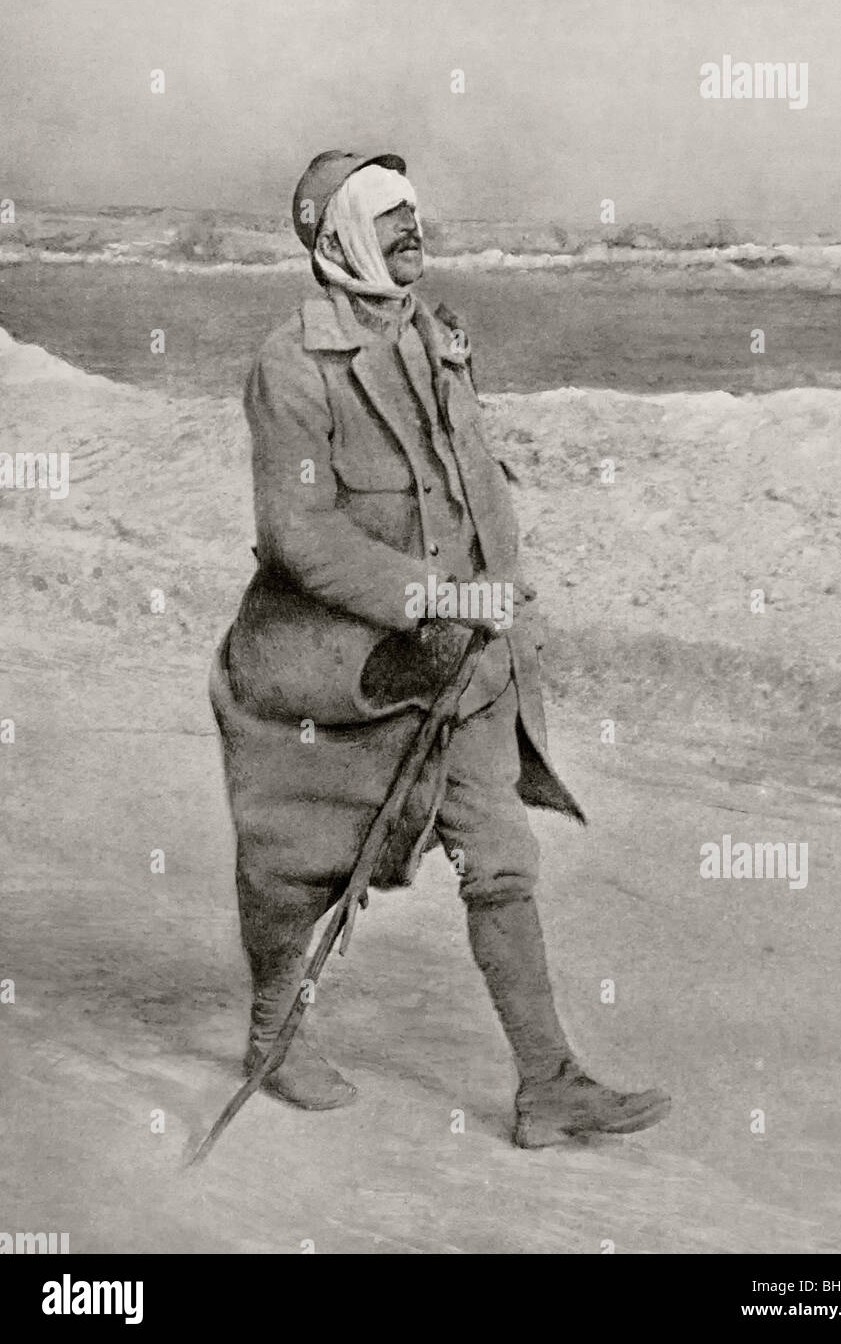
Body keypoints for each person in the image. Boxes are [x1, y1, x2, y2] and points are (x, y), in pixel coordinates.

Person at [209, 150, 670, 1148]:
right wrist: (434, 594)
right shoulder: (289, 368)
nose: (413, 229)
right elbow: (299, 533)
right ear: (339, 236)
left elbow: (464, 484)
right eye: (388, 216)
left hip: (466, 658)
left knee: (500, 855)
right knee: (299, 862)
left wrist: (493, 594)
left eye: (414, 212)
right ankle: (272, 1034)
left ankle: (547, 1084)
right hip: (342, 672)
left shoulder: (434, 335)